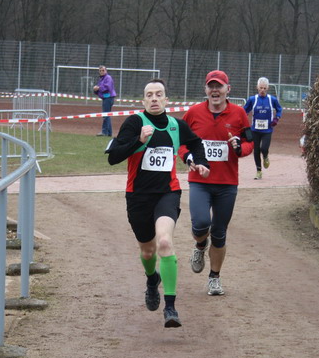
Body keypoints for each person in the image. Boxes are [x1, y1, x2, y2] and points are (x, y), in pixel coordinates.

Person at [107, 78, 210, 328]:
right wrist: (139, 141)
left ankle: (170, 307)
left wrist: (200, 161)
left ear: (166, 99)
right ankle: (152, 279)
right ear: (143, 100)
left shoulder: (176, 125)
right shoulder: (134, 123)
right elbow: (113, 157)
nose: (154, 98)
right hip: (138, 196)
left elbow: (195, 142)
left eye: (159, 94)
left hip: (167, 193)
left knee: (164, 242)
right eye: (149, 95)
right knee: (147, 251)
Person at [181, 70, 253, 296]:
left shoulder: (239, 114)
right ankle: (200, 245)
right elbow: (180, 141)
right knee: (201, 224)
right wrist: (188, 156)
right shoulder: (193, 113)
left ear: (227, 90)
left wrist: (240, 148)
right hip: (199, 181)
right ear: (205, 89)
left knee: (220, 233)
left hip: (227, 183)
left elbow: (249, 142)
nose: (215, 90)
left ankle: (214, 278)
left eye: (219, 86)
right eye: (211, 86)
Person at [243, 77, 283, 180]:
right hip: (255, 130)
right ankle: (259, 171)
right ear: (257, 87)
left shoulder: (272, 99)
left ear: (268, 88)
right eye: (261, 88)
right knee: (256, 151)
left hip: (267, 130)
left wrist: (277, 118)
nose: (262, 90)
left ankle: (265, 156)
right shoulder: (252, 99)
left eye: (264, 88)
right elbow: (244, 111)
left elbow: (279, 109)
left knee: (264, 148)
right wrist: (244, 118)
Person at [93, 65, 116, 136]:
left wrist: (98, 88)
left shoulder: (108, 78)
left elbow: (107, 87)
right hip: (105, 98)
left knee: (106, 115)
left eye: (103, 70)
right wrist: (95, 90)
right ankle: (109, 132)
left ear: (106, 71)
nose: (101, 72)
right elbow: (100, 89)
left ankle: (105, 132)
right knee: (107, 115)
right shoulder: (101, 79)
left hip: (108, 98)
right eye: (100, 71)